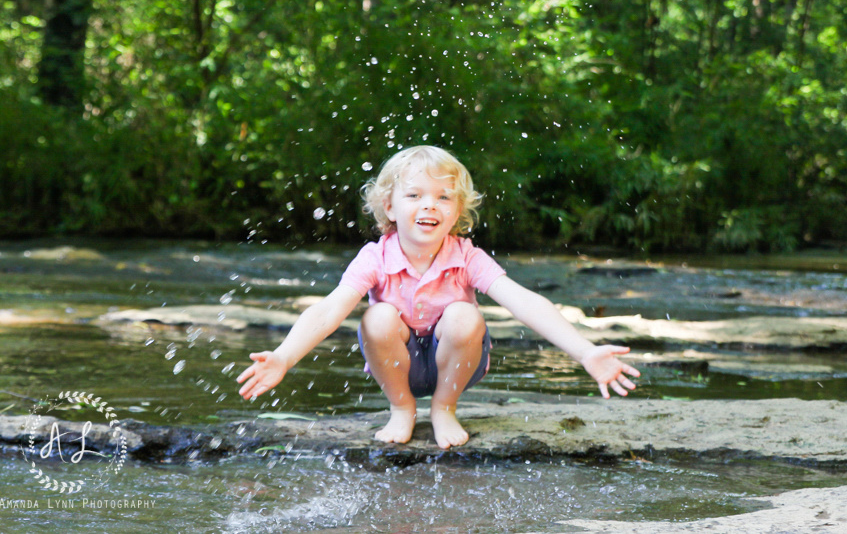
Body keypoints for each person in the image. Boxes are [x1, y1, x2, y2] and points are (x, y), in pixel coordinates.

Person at [237, 145, 640, 450]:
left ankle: (443, 408)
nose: (429, 204)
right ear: (389, 208)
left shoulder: (467, 256)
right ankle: (402, 408)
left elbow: (523, 301)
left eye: (443, 197)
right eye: (414, 196)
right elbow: (330, 308)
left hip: (457, 362)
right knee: (374, 318)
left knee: (465, 314)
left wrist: (585, 352)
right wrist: (285, 356)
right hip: (399, 364)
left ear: (458, 210)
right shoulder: (375, 256)